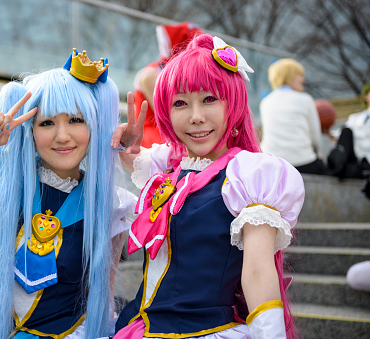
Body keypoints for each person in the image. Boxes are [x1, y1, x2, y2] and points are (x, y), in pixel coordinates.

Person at [0, 49, 138, 339]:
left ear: (93, 126)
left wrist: (134, 163)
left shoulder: (111, 204)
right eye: (47, 123)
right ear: (30, 130)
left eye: (76, 120)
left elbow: (103, 292)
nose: (62, 135)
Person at [113, 34, 305, 339]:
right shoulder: (171, 169)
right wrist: (123, 145)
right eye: (180, 103)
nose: (196, 117)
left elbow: (257, 272)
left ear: (234, 103)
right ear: (166, 110)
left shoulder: (251, 176)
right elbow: (135, 157)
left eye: (209, 99)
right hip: (139, 329)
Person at [134, 22, 202, 148]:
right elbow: (166, 115)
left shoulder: (174, 75)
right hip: (153, 140)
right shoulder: (151, 75)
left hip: (169, 138)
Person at [259, 58, 327, 175]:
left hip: (272, 164)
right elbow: (315, 136)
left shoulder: (265, 102)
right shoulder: (306, 99)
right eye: (299, 75)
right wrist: (317, 153)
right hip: (303, 163)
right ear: (289, 76)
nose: (303, 79)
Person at [328, 82, 370, 181]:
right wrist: (327, 132)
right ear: (366, 96)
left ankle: (338, 167)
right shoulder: (354, 118)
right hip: (354, 159)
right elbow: (339, 138)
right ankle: (337, 165)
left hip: (367, 162)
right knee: (346, 131)